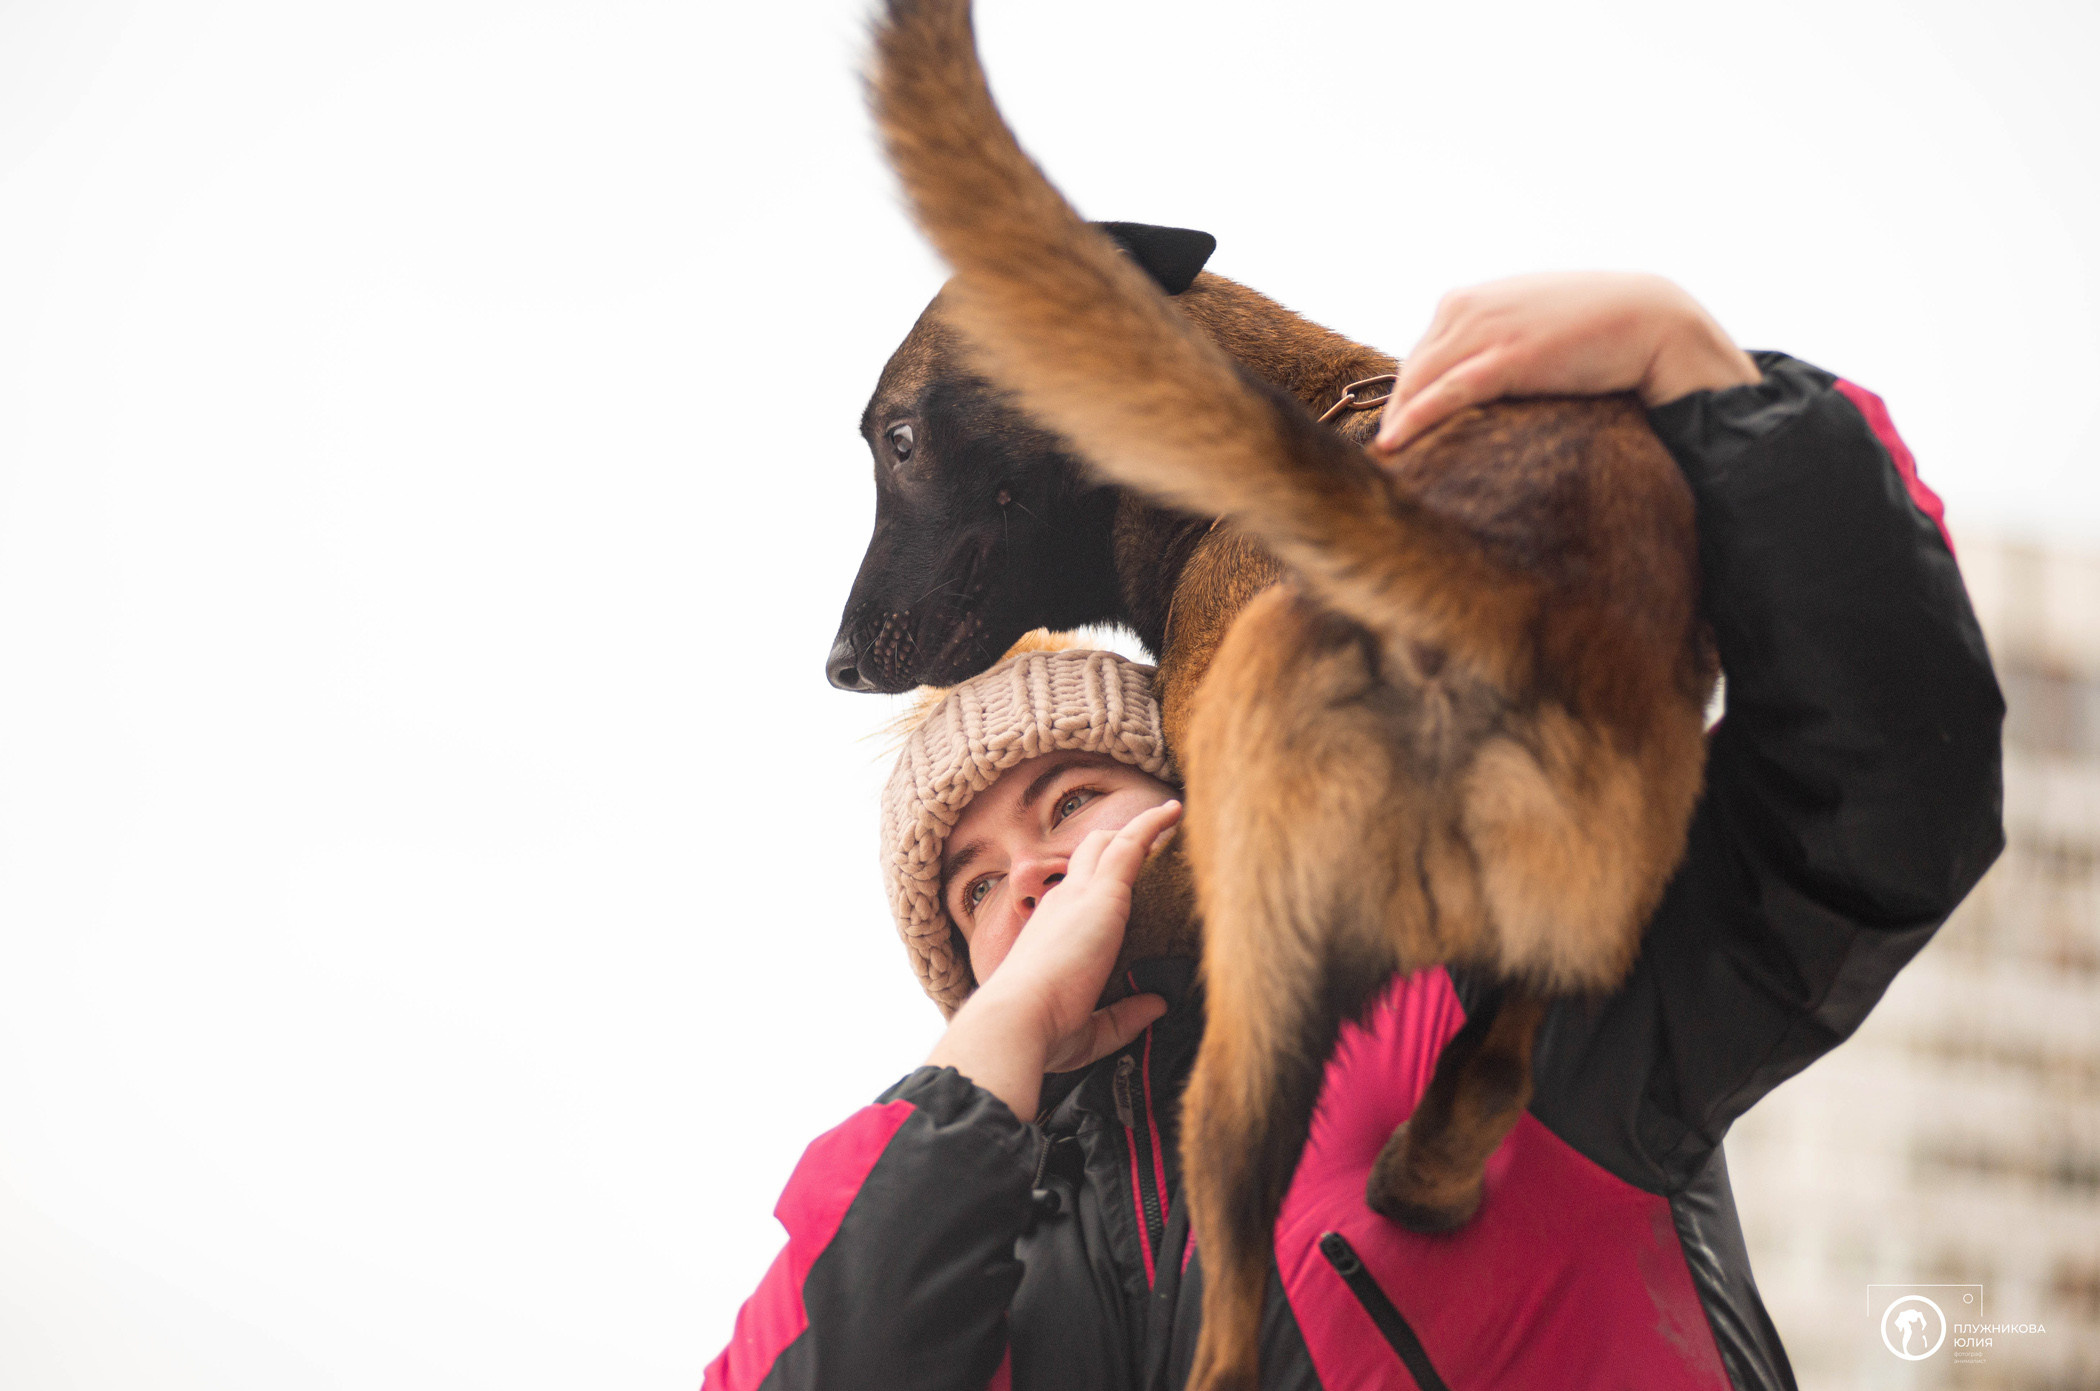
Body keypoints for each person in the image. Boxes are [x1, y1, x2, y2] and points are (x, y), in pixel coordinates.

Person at [704, 275, 2004, 1391]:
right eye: (973, 883)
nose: (1035, 874)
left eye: (1073, 804)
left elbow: (1878, 793)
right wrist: (982, 1075)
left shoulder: (1477, 986)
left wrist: (1721, 398)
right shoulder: (986, 1264)